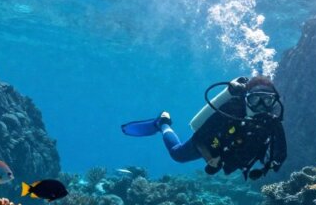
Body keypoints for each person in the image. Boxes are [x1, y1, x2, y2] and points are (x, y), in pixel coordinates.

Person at [122, 76, 287, 180]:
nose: (261, 106)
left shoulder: (272, 122)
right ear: (246, 99)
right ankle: (162, 123)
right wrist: (210, 158)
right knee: (177, 155)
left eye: (267, 100)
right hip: (210, 142)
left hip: (229, 151)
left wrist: (268, 168)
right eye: (255, 99)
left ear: (274, 101)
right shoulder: (231, 110)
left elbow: (280, 153)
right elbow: (200, 134)